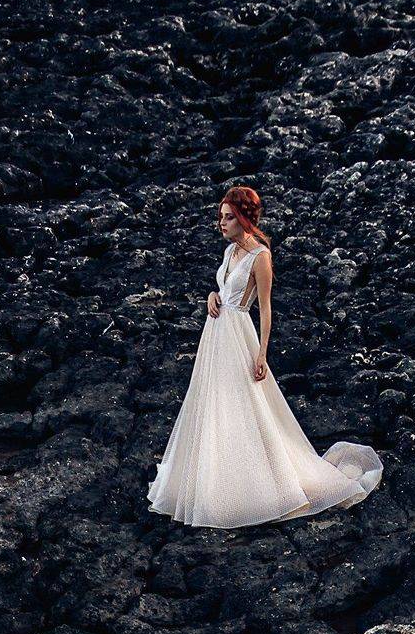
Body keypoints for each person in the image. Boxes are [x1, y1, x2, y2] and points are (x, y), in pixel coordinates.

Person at [147, 185, 383, 529]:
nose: (221, 223)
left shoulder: (261, 256)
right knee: (212, 403)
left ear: (244, 218)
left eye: (228, 217)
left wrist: (262, 352)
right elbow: (225, 289)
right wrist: (212, 295)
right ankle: (213, 478)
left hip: (239, 334)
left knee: (246, 406)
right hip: (215, 335)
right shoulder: (230, 253)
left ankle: (253, 485)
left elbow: (266, 307)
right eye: (220, 217)